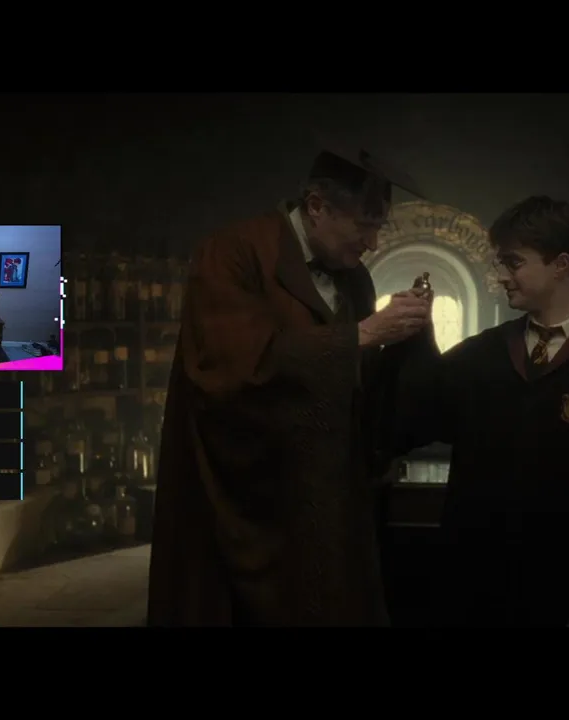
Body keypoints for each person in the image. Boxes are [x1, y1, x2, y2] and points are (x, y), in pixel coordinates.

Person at [146, 149, 433, 626]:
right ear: (316, 206)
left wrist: (405, 338)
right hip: (249, 503)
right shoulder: (233, 252)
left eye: (378, 227)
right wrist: (360, 335)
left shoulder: (355, 279)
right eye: (364, 226)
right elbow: (229, 366)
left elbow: (357, 386)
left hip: (325, 501)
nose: (373, 242)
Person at [391, 195, 569, 627]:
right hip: (474, 587)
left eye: (514, 263)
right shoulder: (485, 353)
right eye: (500, 263)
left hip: (562, 591)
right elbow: (418, 416)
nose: (501, 276)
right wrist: (414, 338)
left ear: (561, 265)